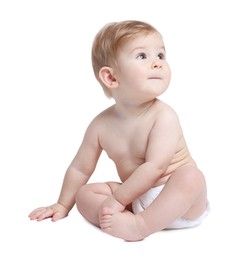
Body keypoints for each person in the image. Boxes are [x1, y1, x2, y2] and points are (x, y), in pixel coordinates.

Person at [29, 20, 209, 241]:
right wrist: (63, 204)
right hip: (134, 199)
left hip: (180, 203)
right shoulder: (100, 124)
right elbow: (79, 169)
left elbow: (155, 167)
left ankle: (140, 226)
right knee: (85, 193)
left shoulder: (164, 116)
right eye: (142, 56)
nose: (157, 63)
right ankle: (122, 220)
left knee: (191, 177)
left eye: (160, 55)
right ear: (111, 77)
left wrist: (116, 201)